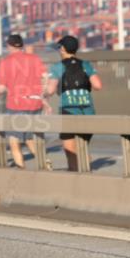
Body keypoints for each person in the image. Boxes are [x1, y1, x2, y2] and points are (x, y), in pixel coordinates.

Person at [47, 35, 103, 172]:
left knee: (70, 150)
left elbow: (50, 90)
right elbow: (98, 85)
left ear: (63, 49)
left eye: (60, 48)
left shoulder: (57, 67)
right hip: (87, 110)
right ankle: (85, 170)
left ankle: (75, 175)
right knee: (82, 146)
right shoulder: (86, 65)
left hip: (68, 110)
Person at [0, 34, 49, 169]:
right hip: (35, 103)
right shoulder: (34, 59)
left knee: (14, 139)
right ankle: (45, 163)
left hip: (16, 104)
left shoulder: (5, 62)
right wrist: (42, 96)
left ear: (9, 46)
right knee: (30, 137)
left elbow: (1, 89)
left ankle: (21, 169)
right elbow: (45, 78)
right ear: (22, 45)